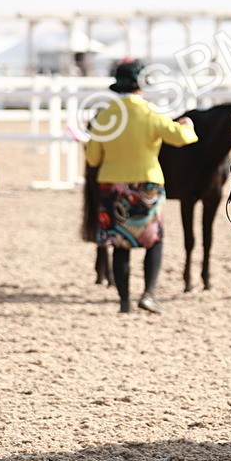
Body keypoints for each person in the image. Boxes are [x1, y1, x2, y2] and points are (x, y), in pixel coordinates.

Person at [85, 60, 198, 314]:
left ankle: (124, 302)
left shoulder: (104, 117)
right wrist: (188, 127)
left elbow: (92, 158)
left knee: (119, 243)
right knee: (154, 240)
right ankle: (148, 294)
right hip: (147, 184)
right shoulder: (150, 113)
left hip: (112, 185)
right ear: (142, 85)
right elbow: (181, 138)